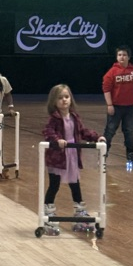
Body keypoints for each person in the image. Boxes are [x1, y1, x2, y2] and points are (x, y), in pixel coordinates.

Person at [42, 84, 104, 235]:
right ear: (54, 101)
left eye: (66, 97)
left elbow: (82, 131)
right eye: (60, 98)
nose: (64, 100)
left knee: (75, 183)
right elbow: (47, 131)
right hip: (58, 157)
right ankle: (48, 212)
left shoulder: (74, 117)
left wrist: (96, 137)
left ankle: (80, 212)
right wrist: (57, 140)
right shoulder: (54, 119)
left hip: (72, 155)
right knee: (54, 184)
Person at [102, 44, 133, 168]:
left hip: (130, 107)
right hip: (116, 107)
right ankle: (103, 155)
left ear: (128, 57)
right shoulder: (112, 72)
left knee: (129, 132)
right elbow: (106, 89)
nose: (122, 57)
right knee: (109, 131)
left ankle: (130, 155)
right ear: (116, 57)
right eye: (119, 55)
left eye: (124, 55)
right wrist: (109, 104)